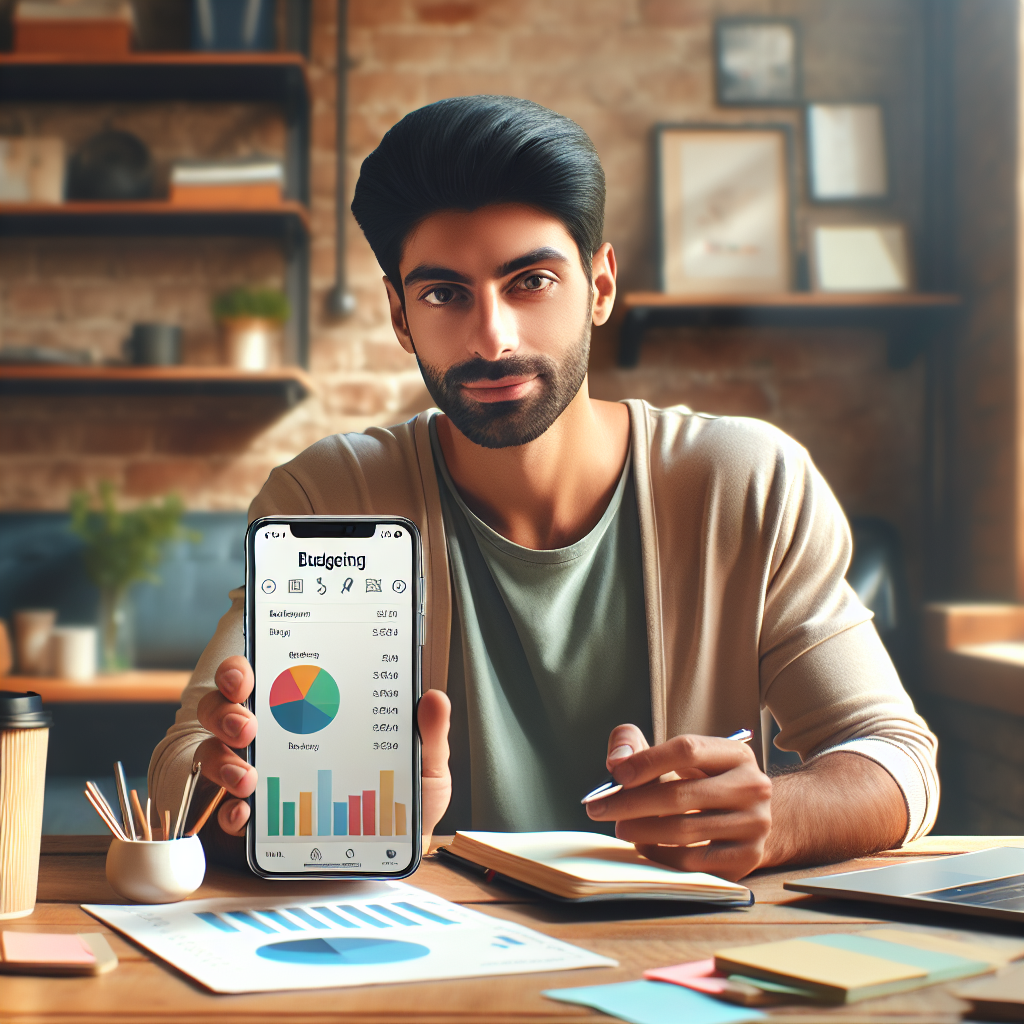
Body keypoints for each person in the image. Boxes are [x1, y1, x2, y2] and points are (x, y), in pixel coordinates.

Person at [150, 96, 938, 882]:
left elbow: (897, 759)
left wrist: (773, 819)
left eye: (530, 281)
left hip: (680, 961)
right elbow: (181, 772)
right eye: (442, 294)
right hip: (430, 963)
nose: (492, 337)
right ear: (399, 315)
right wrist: (240, 796)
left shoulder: (744, 481)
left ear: (599, 286)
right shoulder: (333, 492)